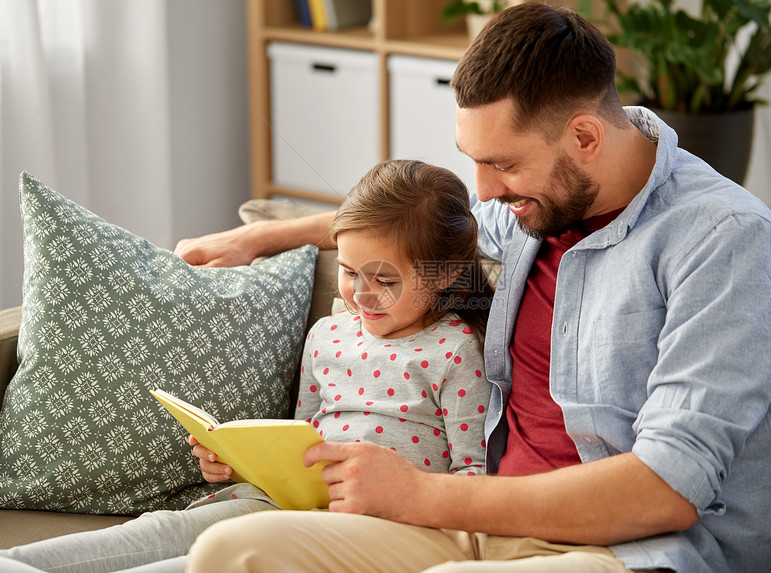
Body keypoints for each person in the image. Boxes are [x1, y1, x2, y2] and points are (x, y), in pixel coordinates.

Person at [178, 3, 771, 573]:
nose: (484, 189)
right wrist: (263, 238)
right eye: (474, 159)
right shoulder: (532, 208)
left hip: (630, 552)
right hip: (482, 527)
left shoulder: (726, 241)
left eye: (503, 164)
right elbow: (417, 227)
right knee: (233, 552)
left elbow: (667, 490)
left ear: (585, 138)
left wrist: (421, 494)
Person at [0, 160, 494, 573]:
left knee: (205, 560)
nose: (361, 294)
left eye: (384, 279)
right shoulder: (328, 334)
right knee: (162, 532)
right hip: (281, 500)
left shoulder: (453, 350)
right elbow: (298, 434)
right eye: (347, 272)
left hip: (372, 520)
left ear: (444, 273)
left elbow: (473, 474)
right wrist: (239, 459)